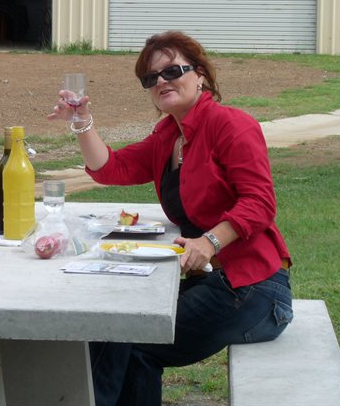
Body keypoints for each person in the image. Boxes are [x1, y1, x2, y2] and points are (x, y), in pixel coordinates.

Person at [47, 30, 293, 406]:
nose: (161, 81)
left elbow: (260, 203)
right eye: (151, 78)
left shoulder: (231, 125)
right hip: (217, 283)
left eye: (172, 71)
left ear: (201, 75)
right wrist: (82, 121)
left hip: (255, 291)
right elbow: (111, 167)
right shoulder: (168, 137)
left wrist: (208, 242)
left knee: (130, 337)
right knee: (119, 329)